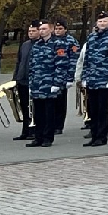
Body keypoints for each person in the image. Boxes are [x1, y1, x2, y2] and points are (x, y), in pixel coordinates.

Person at [27, 19, 77, 148]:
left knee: (49, 112)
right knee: (38, 113)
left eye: (44, 29)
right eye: (40, 29)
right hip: (38, 84)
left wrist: (57, 82)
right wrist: (31, 83)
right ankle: (38, 137)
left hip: (50, 83)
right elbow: (32, 66)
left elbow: (61, 65)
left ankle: (48, 137)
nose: (41, 31)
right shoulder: (37, 45)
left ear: (50, 29)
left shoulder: (58, 44)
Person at [80, 11, 108, 147]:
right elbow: (86, 59)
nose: (102, 24)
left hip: (105, 79)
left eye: (105, 21)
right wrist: (85, 77)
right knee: (92, 109)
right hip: (92, 79)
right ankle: (94, 135)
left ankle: (102, 136)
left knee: (103, 109)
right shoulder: (92, 37)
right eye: (100, 22)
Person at [12, 22, 38, 136]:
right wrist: (15, 78)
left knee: (34, 107)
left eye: (33, 31)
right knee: (24, 106)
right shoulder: (25, 45)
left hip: (33, 80)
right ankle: (25, 131)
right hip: (22, 79)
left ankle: (34, 130)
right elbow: (19, 62)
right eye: (29, 31)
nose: (31, 33)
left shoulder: (40, 45)